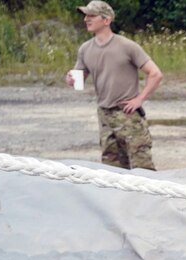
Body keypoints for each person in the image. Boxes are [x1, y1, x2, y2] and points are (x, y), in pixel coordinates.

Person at [65, 1, 163, 170]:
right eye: (85, 16)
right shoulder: (85, 49)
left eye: (92, 15)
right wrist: (70, 79)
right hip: (104, 115)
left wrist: (139, 99)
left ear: (106, 20)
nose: (86, 19)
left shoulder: (126, 46)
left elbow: (155, 74)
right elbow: (79, 77)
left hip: (127, 115)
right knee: (112, 171)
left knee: (142, 169)